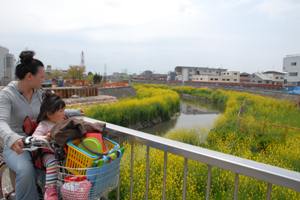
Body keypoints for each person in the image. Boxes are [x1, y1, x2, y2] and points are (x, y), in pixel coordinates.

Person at [0, 50, 81, 199]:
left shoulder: (40, 93)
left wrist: (76, 112)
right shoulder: (7, 95)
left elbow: (53, 110)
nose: (44, 80)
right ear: (30, 77)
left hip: (41, 141)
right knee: (26, 170)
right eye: (42, 77)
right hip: (18, 144)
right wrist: (11, 138)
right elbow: (1, 121)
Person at [32, 92, 66, 200]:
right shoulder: (44, 124)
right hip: (49, 153)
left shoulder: (62, 121)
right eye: (60, 111)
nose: (63, 113)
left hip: (62, 152)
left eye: (63, 110)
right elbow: (34, 137)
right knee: (53, 162)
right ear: (49, 114)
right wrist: (45, 137)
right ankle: (50, 190)